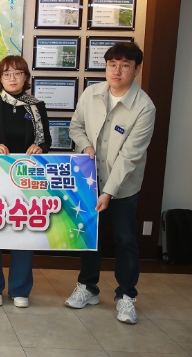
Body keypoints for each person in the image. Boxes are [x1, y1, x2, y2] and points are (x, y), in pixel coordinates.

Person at [64, 42, 155, 325]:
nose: (117, 71)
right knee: (90, 238)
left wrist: (108, 192)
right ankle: (88, 287)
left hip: (122, 188)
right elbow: (75, 126)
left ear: (136, 69)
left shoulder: (144, 107)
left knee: (125, 240)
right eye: (112, 65)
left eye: (125, 66)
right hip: (89, 181)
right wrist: (85, 145)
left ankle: (126, 296)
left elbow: (130, 157)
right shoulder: (91, 94)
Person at [0, 55, 51, 308]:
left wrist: (40, 147)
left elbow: (46, 140)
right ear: (0, 79)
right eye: (7, 74)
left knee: (24, 232)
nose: (12, 78)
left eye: (18, 73)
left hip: (26, 180)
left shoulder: (37, 107)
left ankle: (20, 289)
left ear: (25, 77)